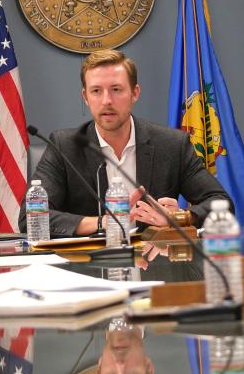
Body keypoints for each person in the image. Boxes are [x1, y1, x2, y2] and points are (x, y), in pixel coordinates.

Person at [19, 49, 230, 237]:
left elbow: (221, 203)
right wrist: (105, 222)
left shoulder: (171, 145)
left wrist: (180, 218)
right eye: (96, 91)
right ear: (85, 97)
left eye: (116, 89)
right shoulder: (64, 146)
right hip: (88, 269)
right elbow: (30, 218)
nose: (106, 101)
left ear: (134, 93)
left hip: (156, 267)